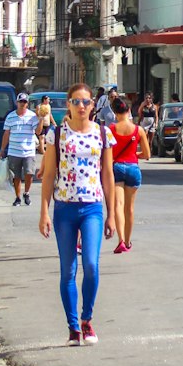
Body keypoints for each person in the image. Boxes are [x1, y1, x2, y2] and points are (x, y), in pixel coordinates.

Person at [39, 81, 116, 345]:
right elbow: (49, 175)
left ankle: (87, 320)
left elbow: (108, 174)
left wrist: (111, 214)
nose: (81, 106)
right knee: (68, 269)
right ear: (68, 105)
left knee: (92, 265)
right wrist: (44, 212)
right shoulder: (57, 134)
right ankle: (73, 327)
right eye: (75, 102)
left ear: (93, 105)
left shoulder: (103, 134)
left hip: (92, 207)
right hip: (64, 208)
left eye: (85, 102)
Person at [110, 95, 149, 253]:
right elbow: (147, 154)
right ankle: (127, 241)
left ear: (115, 111)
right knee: (130, 208)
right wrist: (134, 155)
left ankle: (120, 241)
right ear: (129, 110)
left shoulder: (111, 129)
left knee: (118, 205)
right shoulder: (138, 130)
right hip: (133, 167)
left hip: (116, 167)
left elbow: (106, 153)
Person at [0, 92, 37, 206]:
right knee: (16, 175)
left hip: (29, 151)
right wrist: (2, 149)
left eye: (24, 102)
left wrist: (40, 119)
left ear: (27, 104)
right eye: (20, 102)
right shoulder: (10, 116)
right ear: (17, 102)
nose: (22, 104)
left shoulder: (32, 116)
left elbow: (38, 132)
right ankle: (18, 197)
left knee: (29, 173)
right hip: (14, 151)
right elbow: (6, 134)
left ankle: (27, 193)